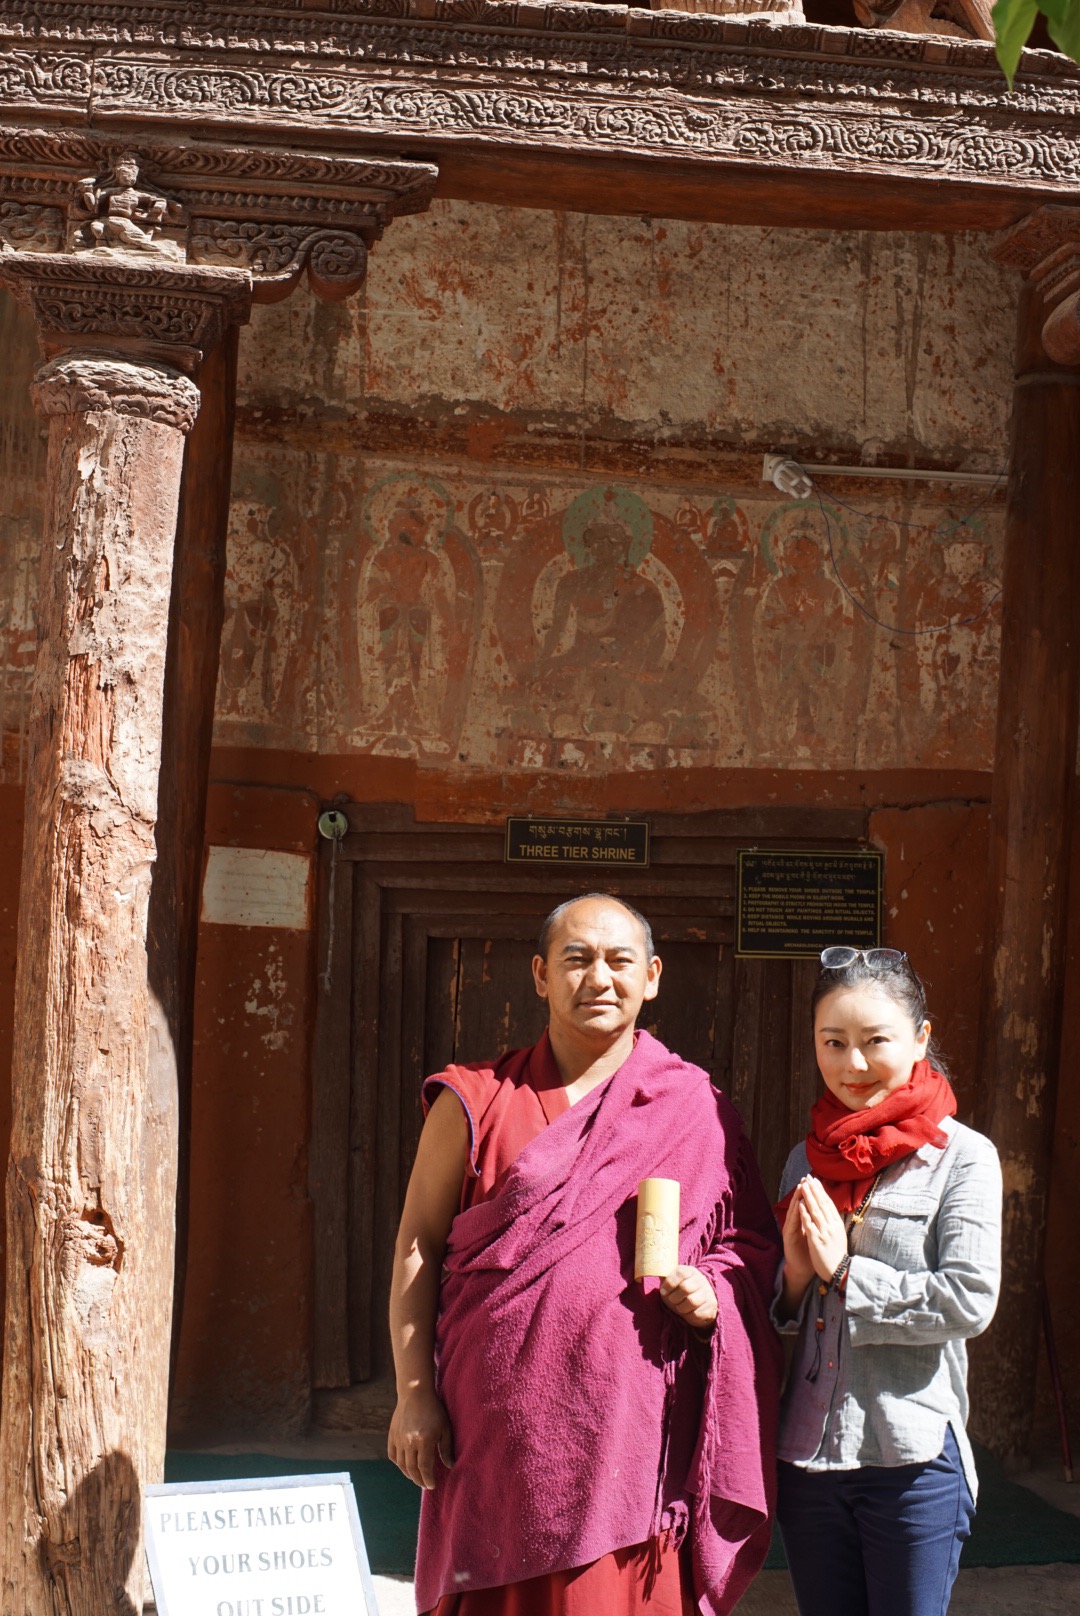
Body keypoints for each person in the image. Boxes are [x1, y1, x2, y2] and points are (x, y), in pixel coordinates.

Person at [388, 893, 783, 1616]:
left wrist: (713, 1296)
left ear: (653, 976)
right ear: (540, 975)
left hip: (630, 1432)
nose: (598, 977)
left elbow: (747, 1245)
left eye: (618, 959)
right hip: (497, 1429)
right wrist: (414, 1393)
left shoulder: (694, 1105)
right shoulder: (477, 1099)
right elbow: (418, 1240)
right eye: (576, 959)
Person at [774, 946, 1002, 1616]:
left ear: (920, 1038)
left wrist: (845, 1272)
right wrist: (793, 1274)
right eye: (832, 1042)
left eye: (876, 1041)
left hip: (911, 1458)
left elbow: (969, 1299)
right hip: (808, 1458)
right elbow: (785, 1313)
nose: (853, 1064)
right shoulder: (805, 1158)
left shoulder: (962, 1158)